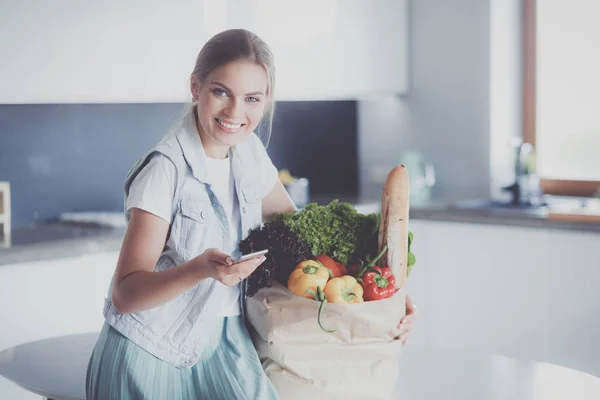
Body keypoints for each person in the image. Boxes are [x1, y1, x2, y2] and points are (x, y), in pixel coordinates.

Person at [86, 28, 418, 400]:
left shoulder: (249, 153)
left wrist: (379, 293)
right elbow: (126, 294)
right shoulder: (166, 169)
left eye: (252, 98)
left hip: (227, 342)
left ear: (266, 101)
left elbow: (303, 244)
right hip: (152, 352)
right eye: (221, 92)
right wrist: (202, 268)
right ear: (196, 87)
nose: (235, 112)